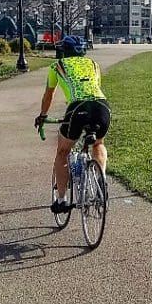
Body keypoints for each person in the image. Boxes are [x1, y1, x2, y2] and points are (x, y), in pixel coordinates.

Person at [34, 35, 111, 214]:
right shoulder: (93, 64)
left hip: (78, 108)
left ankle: (61, 200)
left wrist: (43, 115)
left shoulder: (57, 66)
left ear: (63, 50)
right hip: (102, 106)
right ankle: (102, 179)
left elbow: (49, 94)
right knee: (98, 143)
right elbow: (93, 87)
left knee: (63, 151)